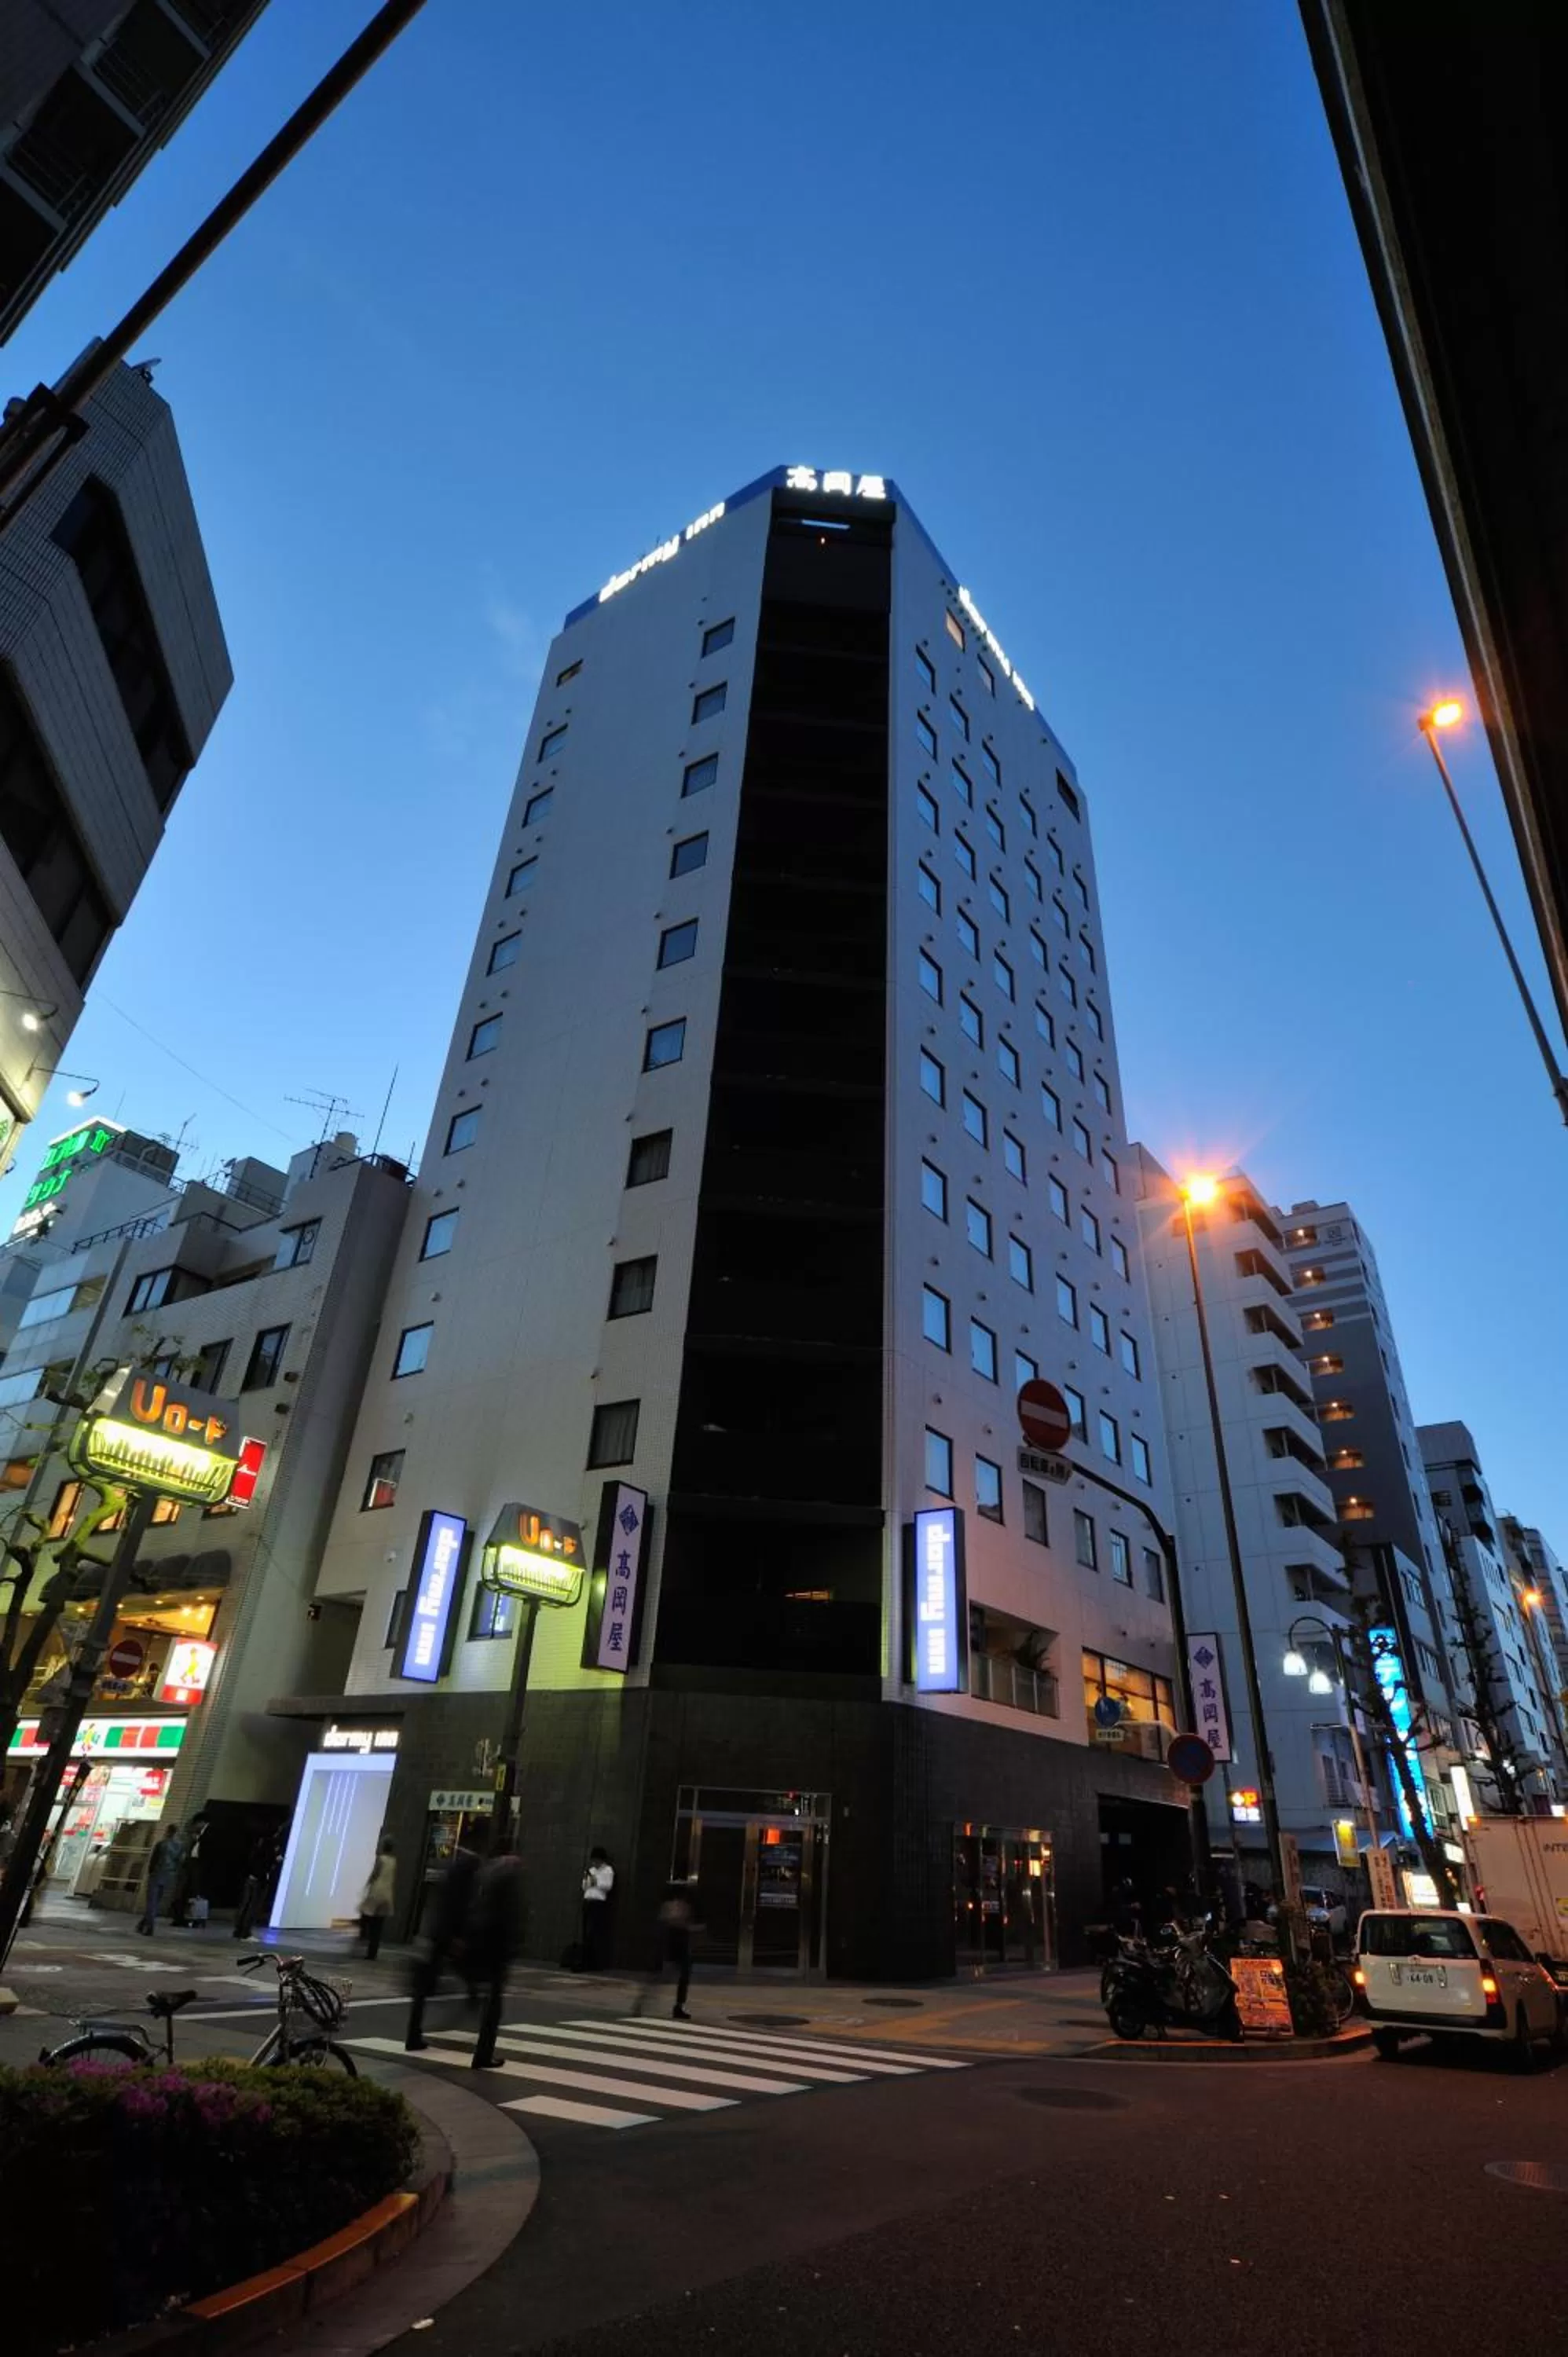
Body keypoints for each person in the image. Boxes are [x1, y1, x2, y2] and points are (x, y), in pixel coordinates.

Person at [405, 1838, 482, 2051]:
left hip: (432, 1935)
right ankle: (472, 1995)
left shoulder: (449, 1878)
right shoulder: (463, 1884)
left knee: (423, 1987)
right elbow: (457, 1913)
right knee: (431, 1982)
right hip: (442, 1937)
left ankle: (414, 2034)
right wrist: (457, 1938)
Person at [470, 1839, 526, 2069]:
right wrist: (515, 1942)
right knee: (494, 2003)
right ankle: (483, 2054)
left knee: (490, 1998)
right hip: (498, 1945)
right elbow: (510, 1912)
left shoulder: (486, 1871)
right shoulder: (508, 1874)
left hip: (483, 1941)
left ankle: (482, 2053)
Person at [632, 1881, 696, 2021]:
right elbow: (675, 1923)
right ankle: (643, 2002)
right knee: (661, 1977)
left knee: (674, 1977)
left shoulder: (671, 1906)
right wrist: (690, 1927)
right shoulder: (675, 1906)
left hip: (675, 1946)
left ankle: (645, 2002)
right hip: (672, 1946)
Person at [137, 1822, 184, 1935]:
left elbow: (154, 1861)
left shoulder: (161, 1844)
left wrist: (150, 1872)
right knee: (157, 1901)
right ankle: (143, 1923)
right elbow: (180, 1862)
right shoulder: (180, 1846)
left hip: (157, 1874)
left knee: (151, 1901)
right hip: (169, 1875)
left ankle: (150, 1926)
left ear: (167, 1832)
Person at [232, 1827, 277, 1941]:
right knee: (253, 1907)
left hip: (250, 1877)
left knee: (245, 1905)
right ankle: (246, 1933)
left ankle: (238, 1931)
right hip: (260, 1879)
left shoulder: (255, 1844)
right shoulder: (269, 1844)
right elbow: (268, 1861)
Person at [357, 1837, 397, 1960]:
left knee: (366, 1914)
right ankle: (373, 1952)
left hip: (376, 1893)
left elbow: (375, 1874)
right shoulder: (394, 1861)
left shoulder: (381, 1859)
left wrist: (367, 1885)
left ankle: (365, 1939)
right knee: (379, 1925)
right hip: (387, 1895)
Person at [580, 1844, 614, 1969]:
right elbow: (584, 1886)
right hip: (588, 1900)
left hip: (599, 1903)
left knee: (596, 1932)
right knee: (586, 1931)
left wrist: (596, 1882)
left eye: (596, 1860)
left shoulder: (608, 1870)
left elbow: (608, 1886)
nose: (594, 1863)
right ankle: (585, 1960)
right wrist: (588, 1881)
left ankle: (596, 1962)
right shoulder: (590, 1870)